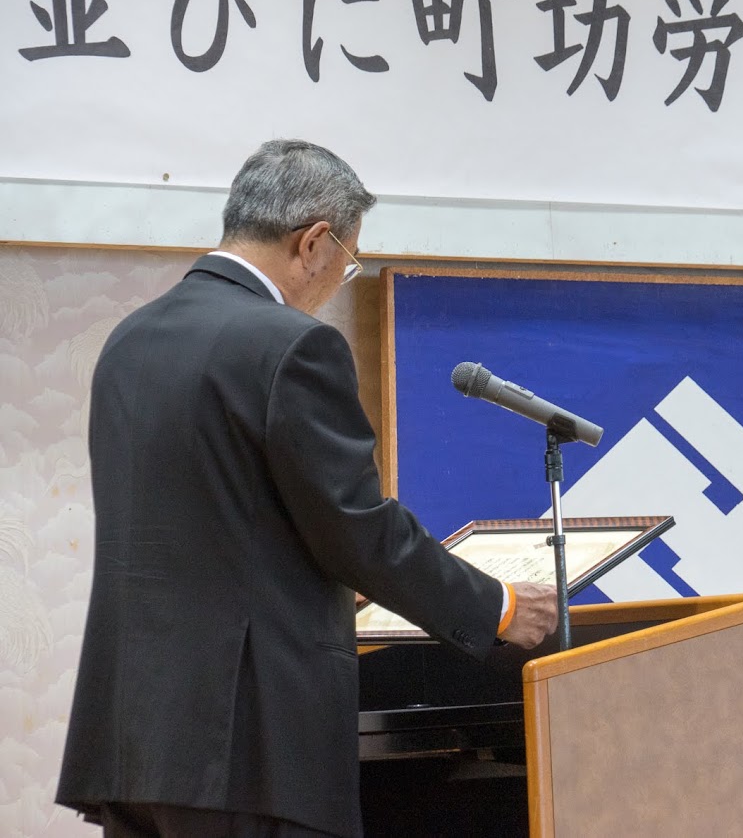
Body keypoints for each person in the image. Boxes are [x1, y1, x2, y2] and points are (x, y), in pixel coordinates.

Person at [56, 140, 558, 837]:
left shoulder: (132, 340)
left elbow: (211, 522)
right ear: (314, 241)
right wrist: (499, 607)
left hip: (131, 741)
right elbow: (359, 530)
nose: (338, 279)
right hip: (247, 748)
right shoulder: (292, 345)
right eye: (349, 264)